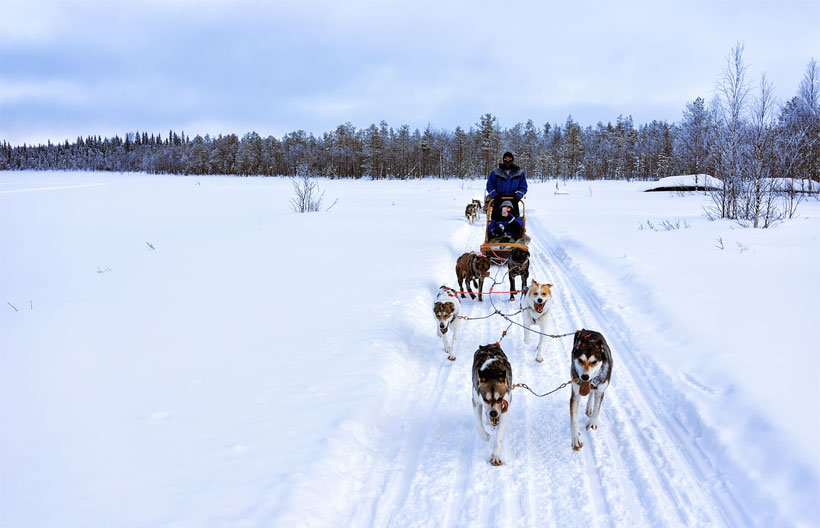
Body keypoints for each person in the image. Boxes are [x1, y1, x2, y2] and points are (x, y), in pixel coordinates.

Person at [486, 151, 527, 219]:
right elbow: (490, 185)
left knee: (514, 220)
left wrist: (518, 196)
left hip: (513, 198)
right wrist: (495, 195)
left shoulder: (519, 172)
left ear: (512, 160)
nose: (507, 160)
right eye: (506, 159)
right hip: (499, 197)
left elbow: (523, 187)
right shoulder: (496, 172)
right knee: (496, 219)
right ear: (503, 159)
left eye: (509, 158)